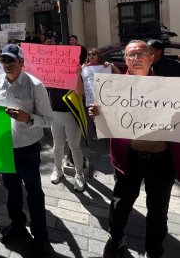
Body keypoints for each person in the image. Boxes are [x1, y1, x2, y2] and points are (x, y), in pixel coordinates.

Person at [89, 40, 180, 258]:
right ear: (126, 60)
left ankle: (154, 250)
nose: (136, 58)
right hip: (128, 159)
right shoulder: (113, 88)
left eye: (141, 54)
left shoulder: (169, 88)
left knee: (158, 211)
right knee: (120, 205)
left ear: (151, 57)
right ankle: (116, 238)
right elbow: (107, 125)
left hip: (161, 160)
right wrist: (97, 115)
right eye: (131, 55)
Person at [0, 44, 54, 257]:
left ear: (21, 62)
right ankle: (17, 225)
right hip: (5, 148)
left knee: (34, 193)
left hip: (28, 150)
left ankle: (40, 235)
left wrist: (29, 118)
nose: (6, 64)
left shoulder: (35, 86)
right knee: (12, 190)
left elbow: (49, 120)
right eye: (3, 60)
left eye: (11, 60)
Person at [49, 70, 86, 191]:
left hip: (72, 114)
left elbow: (79, 92)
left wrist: (77, 75)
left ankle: (79, 174)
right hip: (54, 114)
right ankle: (58, 169)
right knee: (58, 144)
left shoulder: (74, 73)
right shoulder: (48, 71)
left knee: (74, 146)